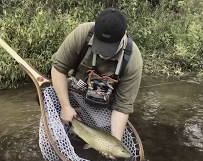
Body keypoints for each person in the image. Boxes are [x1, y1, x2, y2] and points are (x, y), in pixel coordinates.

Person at [51, 8, 143, 145]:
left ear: (123, 37)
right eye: (100, 46)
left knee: (108, 136)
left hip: (105, 102)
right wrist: (65, 106)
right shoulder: (82, 33)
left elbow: (122, 107)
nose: (103, 53)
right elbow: (58, 69)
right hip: (74, 90)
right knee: (56, 121)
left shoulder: (133, 60)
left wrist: (114, 143)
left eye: (109, 48)